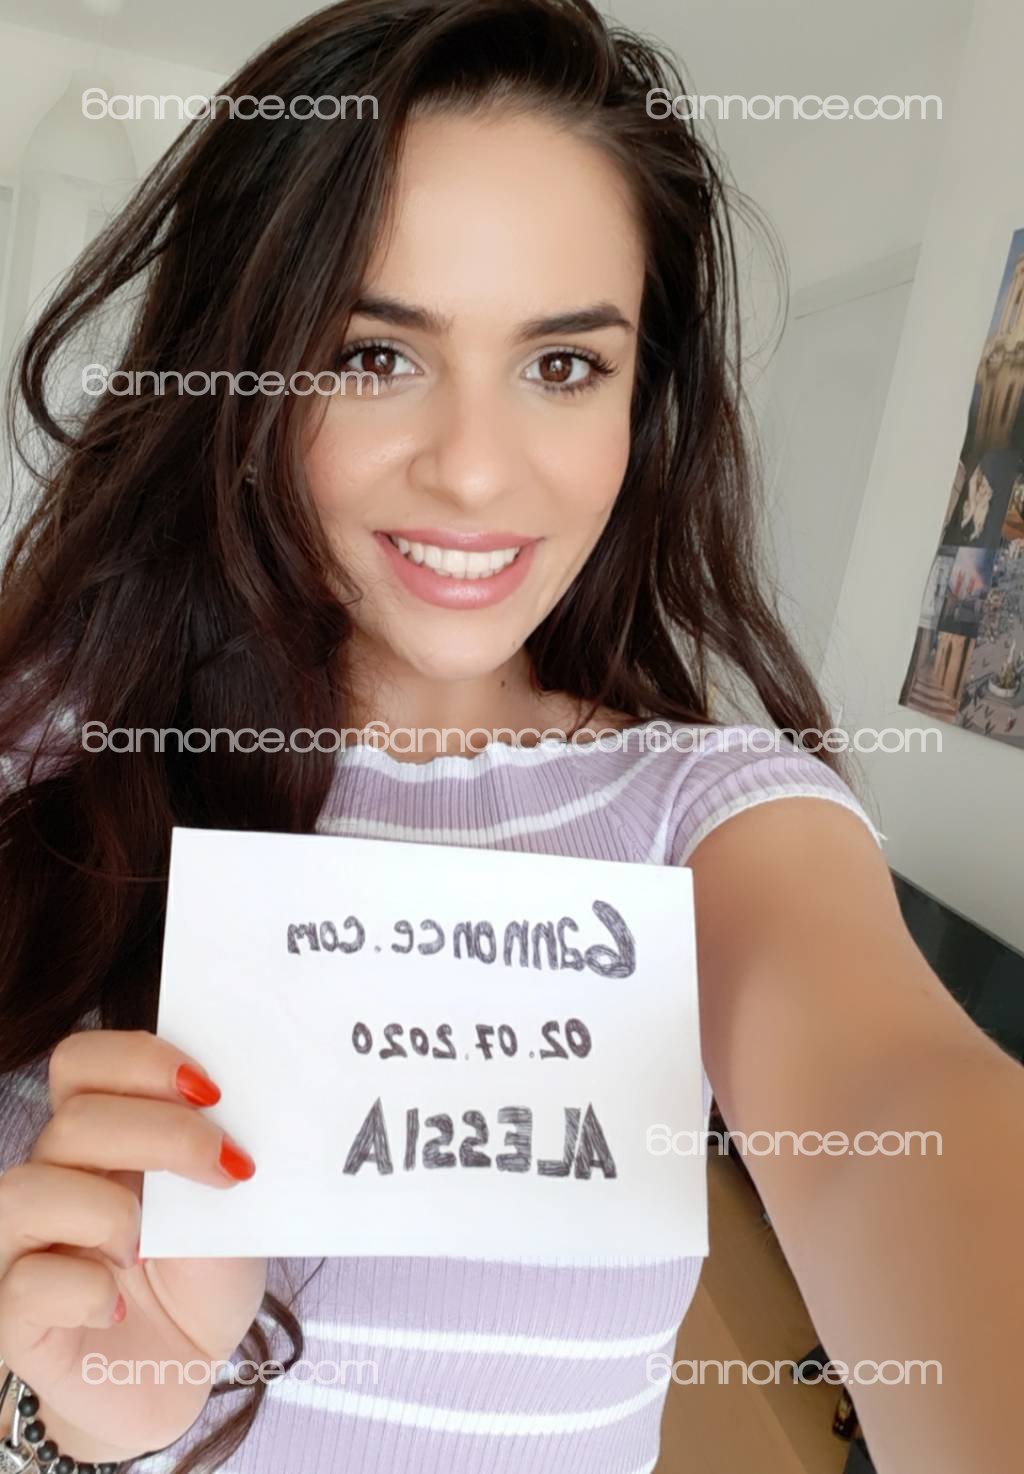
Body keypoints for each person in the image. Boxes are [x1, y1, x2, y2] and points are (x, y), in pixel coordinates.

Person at [0, 2, 1020, 1472]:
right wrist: (85, 1424)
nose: (475, 472)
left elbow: (895, 1094)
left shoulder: (712, 819)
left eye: (561, 366)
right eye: (373, 354)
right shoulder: (45, 763)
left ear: (641, 403)